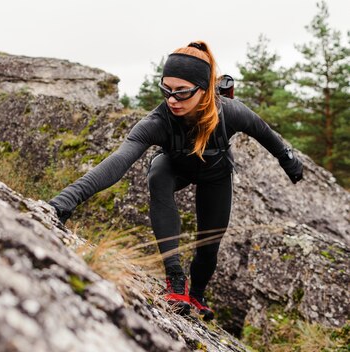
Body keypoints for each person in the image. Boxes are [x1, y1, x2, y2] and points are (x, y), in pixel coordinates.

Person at [48, 41, 303, 320]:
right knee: (158, 174)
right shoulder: (157, 122)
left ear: (204, 91)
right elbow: (117, 163)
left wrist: (288, 160)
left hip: (215, 174)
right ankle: (175, 280)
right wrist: (63, 202)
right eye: (166, 89)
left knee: (209, 246)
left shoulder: (230, 111)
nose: (172, 99)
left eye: (182, 92)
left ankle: (197, 294)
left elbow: (266, 134)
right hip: (175, 167)